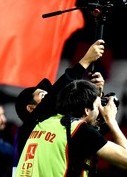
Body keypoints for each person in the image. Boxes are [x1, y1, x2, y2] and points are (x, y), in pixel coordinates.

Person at [12, 39, 106, 171]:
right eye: (43, 96)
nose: (50, 97)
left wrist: (97, 93)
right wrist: (85, 61)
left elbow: (95, 129)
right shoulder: (28, 129)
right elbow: (54, 98)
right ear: (31, 108)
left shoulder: (60, 125)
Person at [15, 80, 127, 176]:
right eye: (97, 106)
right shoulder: (78, 130)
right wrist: (111, 120)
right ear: (87, 110)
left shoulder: (43, 123)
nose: (99, 111)